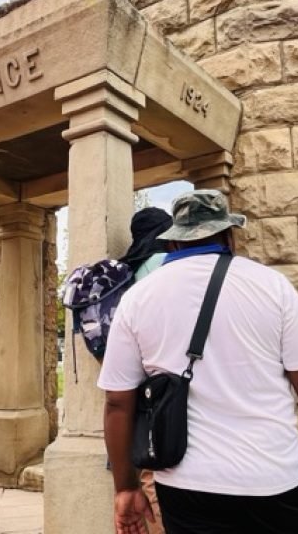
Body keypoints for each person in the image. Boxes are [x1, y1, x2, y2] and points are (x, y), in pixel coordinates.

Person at [99, 189, 298, 534]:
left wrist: (127, 487)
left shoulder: (137, 298)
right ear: (228, 233)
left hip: (187, 483)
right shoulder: (272, 286)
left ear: (175, 240)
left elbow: (118, 403)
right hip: (275, 476)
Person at [117, 206, 173, 534]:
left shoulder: (131, 269)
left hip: (137, 382)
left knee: (148, 461)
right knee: (160, 468)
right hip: (166, 381)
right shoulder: (165, 265)